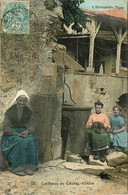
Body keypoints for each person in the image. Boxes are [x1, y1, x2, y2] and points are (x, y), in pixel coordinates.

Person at [1, 90, 38, 176]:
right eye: (20, 100)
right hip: (11, 134)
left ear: (26, 101)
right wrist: (16, 133)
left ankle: (28, 167)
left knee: (31, 139)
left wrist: (27, 131)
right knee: (19, 141)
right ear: (16, 100)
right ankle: (16, 167)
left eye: (24, 101)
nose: (22, 103)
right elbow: (4, 128)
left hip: (23, 132)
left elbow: (32, 126)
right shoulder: (10, 112)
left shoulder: (28, 112)